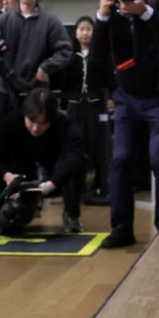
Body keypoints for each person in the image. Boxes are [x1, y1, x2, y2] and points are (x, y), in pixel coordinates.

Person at [90, 0, 159, 246]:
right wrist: (102, 15)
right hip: (127, 97)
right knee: (120, 159)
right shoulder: (110, 15)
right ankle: (121, 229)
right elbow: (96, 54)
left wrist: (144, 11)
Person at [0, 87, 85, 233]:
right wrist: (7, 176)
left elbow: (74, 156)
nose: (35, 128)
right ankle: (2, 212)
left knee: (75, 169)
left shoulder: (64, 124)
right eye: (32, 121)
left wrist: (52, 183)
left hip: (53, 179)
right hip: (20, 178)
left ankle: (71, 215)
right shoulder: (11, 121)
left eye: (42, 123)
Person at [0, 0, 73, 125]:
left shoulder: (50, 21)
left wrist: (46, 68)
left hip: (37, 89)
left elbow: (65, 50)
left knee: (37, 131)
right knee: (5, 131)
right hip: (7, 90)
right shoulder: (3, 20)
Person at [61, 16, 114, 204]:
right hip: (75, 106)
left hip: (96, 104)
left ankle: (101, 184)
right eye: (81, 29)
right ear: (75, 33)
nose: (85, 33)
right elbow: (64, 83)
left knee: (99, 144)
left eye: (89, 29)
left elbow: (109, 79)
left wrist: (111, 99)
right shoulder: (68, 56)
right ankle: (76, 184)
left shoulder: (101, 55)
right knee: (76, 144)